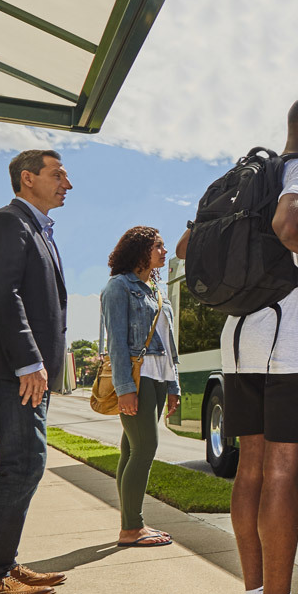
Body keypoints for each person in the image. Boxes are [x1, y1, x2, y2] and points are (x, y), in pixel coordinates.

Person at [179, 93, 298, 594]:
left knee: (249, 471)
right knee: (283, 474)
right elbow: (290, 222)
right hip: (292, 343)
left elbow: (185, 247)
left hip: (240, 341)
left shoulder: (246, 175)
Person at [0, 150, 71, 594]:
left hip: (23, 373)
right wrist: (29, 361)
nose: (67, 183)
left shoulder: (36, 230)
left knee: (21, 463)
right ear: (27, 179)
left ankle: (0, 563)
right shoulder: (6, 223)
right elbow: (2, 294)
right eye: (57, 174)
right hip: (11, 371)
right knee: (22, 464)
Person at [100, 226, 181, 549]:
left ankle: (129, 522)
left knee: (130, 450)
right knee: (145, 448)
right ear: (140, 250)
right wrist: (124, 388)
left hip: (159, 378)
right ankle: (132, 528)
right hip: (138, 379)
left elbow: (170, 345)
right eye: (158, 246)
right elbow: (117, 343)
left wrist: (174, 384)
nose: (164, 251)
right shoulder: (119, 288)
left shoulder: (155, 290)